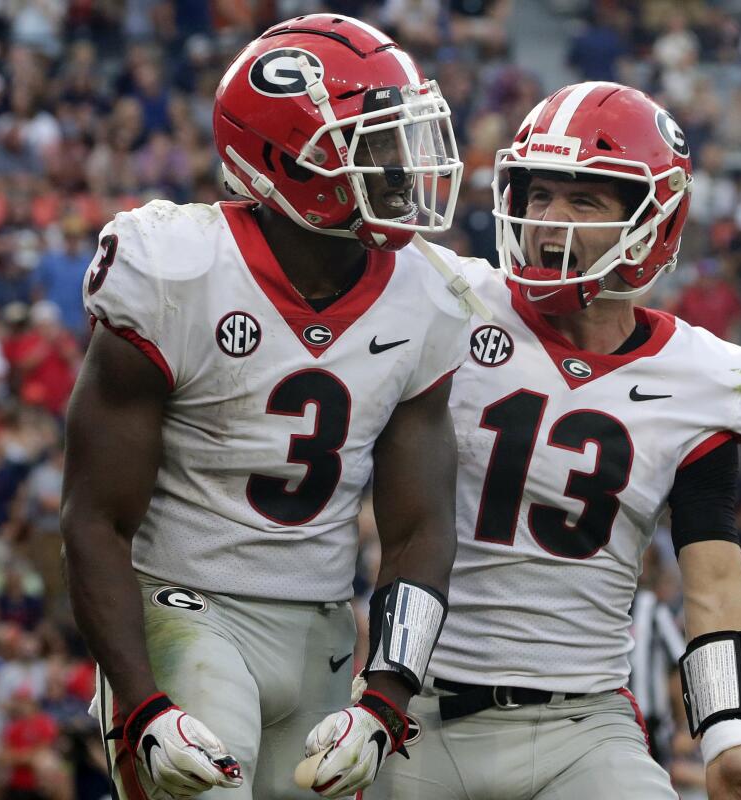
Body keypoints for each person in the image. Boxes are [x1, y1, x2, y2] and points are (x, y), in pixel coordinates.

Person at [61, 15, 478, 800]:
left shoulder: (428, 294)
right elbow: (93, 518)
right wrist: (141, 703)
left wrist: (386, 695)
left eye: (401, 138)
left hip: (320, 630)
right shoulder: (175, 269)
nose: (401, 165)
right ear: (287, 160)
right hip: (183, 609)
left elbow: (422, 527)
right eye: (374, 143)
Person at [369, 82, 741, 800]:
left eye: (583, 201)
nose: (547, 222)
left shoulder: (701, 377)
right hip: (421, 710)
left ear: (651, 222)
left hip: (583, 726)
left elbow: (715, 586)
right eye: (538, 197)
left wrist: (726, 737)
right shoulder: (451, 304)